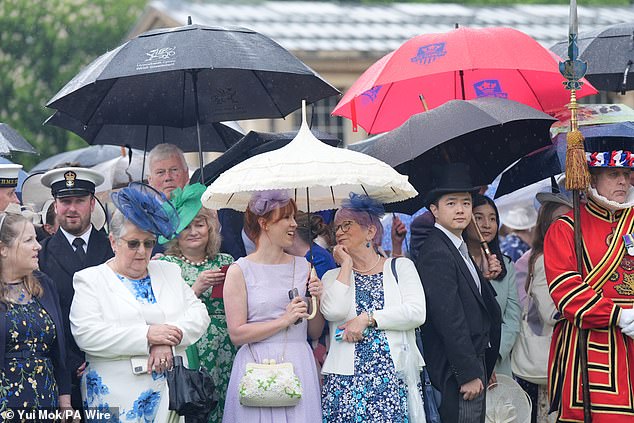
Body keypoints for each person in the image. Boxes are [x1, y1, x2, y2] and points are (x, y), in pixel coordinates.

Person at [70, 183, 210, 422]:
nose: (142, 251)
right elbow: (87, 334)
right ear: (114, 242)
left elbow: (199, 316)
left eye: (149, 243)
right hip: (115, 395)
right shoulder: (90, 279)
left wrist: (167, 339)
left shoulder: (168, 271)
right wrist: (148, 337)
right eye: (133, 243)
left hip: (170, 394)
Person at [543, 142, 634, 422]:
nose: (623, 180)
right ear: (591, 177)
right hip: (597, 347)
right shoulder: (566, 228)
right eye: (612, 173)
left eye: (627, 173)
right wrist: (618, 315)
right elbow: (566, 292)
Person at [320, 193, 426, 423]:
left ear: (370, 231)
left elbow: (417, 312)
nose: (339, 232)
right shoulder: (332, 276)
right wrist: (346, 265)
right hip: (346, 383)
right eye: (336, 227)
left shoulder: (400, 266)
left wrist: (368, 318)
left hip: (392, 377)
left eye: (347, 225)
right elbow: (334, 312)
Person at [222, 190, 323, 422]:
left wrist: (317, 299)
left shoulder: (305, 267)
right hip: (256, 366)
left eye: (294, 217)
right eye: (286, 218)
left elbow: (315, 331)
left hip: (298, 361)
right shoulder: (240, 271)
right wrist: (283, 321)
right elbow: (237, 333)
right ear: (264, 222)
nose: (294, 224)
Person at [416, 163, 502, 423]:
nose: (461, 210)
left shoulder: (457, 245)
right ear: (434, 210)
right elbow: (449, 317)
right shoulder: (436, 251)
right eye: (451, 203)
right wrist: (467, 373)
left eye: (465, 203)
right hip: (455, 370)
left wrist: (483, 279)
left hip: (475, 360)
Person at [38, 167, 113, 412]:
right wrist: (71, 360)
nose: (72, 208)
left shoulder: (114, 249)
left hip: (110, 363)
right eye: (65, 201)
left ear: (92, 203)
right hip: (62, 371)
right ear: (55, 205)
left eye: (79, 201)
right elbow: (45, 316)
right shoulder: (41, 255)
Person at [159, 183, 235, 423]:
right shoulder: (167, 265)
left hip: (226, 346)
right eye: (186, 227)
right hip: (191, 346)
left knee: (226, 405)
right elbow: (166, 313)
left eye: (200, 225)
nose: (194, 231)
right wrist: (196, 288)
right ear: (176, 234)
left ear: (210, 229)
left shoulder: (226, 260)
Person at [0, 212, 72, 414]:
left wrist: (65, 403)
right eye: (28, 240)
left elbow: (60, 349)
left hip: (45, 399)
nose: (38, 246)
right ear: (3, 249)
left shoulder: (45, 285)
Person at [516, 190, 571, 423]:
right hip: (553, 354)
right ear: (547, 226)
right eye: (560, 221)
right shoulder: (544, 258)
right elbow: (550, 312)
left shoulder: (569, 254)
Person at [464, 194, 520, 378]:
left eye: (493, 218)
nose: (487, 224)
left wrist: (493, 355)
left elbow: (512, 317)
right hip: (468, 363)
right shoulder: (458, 264)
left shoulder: (506, 265)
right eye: (478, 217)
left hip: (499, 364)